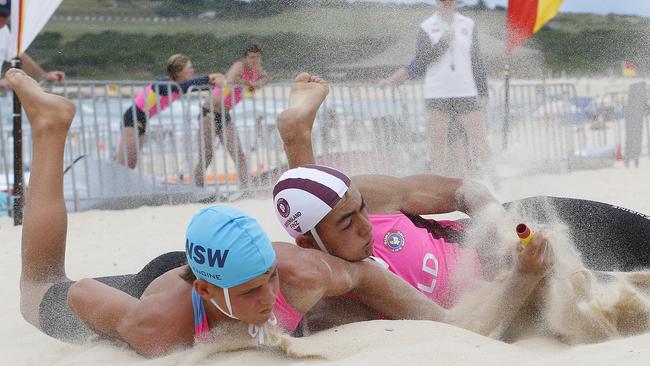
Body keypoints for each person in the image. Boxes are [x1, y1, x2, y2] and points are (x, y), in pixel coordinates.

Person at [13, 67, 463, 357]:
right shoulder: (158, 326)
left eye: (269, 281)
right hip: (165, 282)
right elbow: (82, 294)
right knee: (38, 289)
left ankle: (296, 139)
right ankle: (50, 129)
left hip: (224, 257)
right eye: (253, 293)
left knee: (325, 237)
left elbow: (365, 275)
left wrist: (455, 328)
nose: (269, 298)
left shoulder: (295, 273)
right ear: (208, 292)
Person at [274, 73, 650, 342]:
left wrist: (497, 226)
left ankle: (298, 136)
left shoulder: (359, 195)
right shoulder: (354, 286)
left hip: (510, 230)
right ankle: (297, 137)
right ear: (311, 246)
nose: (365, 226)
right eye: (348, 224)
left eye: (361, 211)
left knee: (638, 236)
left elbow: (465, 190)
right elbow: (461, 328)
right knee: (623, 296)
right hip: (520, 289)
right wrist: (522, 271)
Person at [382, 0, 493, 179]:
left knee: (480, 140)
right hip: (437, 93)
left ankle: (495, 182)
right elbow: (421, 60)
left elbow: (477, 61)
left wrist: (483, 90)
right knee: (438, 143)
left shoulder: (468, 24)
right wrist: (442, 43)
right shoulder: (426, 26)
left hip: (466, 91)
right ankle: (437, 185)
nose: (446, 2)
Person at [115, 54, 223, 168]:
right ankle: (109, 183)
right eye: (189, 68)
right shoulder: (164, 84)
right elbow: (185, 86)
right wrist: (208, 78)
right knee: (123, 164)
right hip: (131, 119)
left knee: (131, 164)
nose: (193, 70)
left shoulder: (178, 86)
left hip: (141, 121)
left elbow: (196, 86)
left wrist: (217, 80)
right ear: (179, 71)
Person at [194, 42, 270, 188]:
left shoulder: (257, 70)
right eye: (251, 57)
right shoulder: (239, 66)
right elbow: (234, 79)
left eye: (258, 57)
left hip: (224, 115)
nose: (255, 61)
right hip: (209, 113)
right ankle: (198, 184)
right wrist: (251, 84)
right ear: (245, 58)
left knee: (237, 152)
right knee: (207, 153)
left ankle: (246, 185)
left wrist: (259, 82)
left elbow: (266, 77)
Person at [0, 2, 64, 90]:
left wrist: (43, 75)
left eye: (4, 15)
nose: (1, 19)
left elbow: (17, 54)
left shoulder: (3, 32)